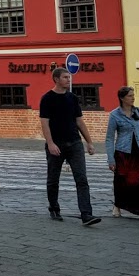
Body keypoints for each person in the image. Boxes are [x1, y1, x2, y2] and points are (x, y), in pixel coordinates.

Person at [40, 67, 101, 226]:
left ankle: (86, 214)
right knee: (53, 179)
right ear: (56, 79)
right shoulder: (47, 98)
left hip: (74, 143)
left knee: (81, 179)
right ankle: (54, 207)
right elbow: (44, 124)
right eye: (65, 77)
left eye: (69, 77)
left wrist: (89, 142)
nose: (69, 80)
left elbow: (79, 121)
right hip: (56, 144)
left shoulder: (72, 98)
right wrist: (51, 143)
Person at [104, 86, 139, 219]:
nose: (133, 98)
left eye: (133, 95)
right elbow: (110, 138)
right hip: (123, 152)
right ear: (122, 98)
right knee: (121, 181)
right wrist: (110, 159)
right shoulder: (115, 115)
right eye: (129, 96)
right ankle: (118, 205)